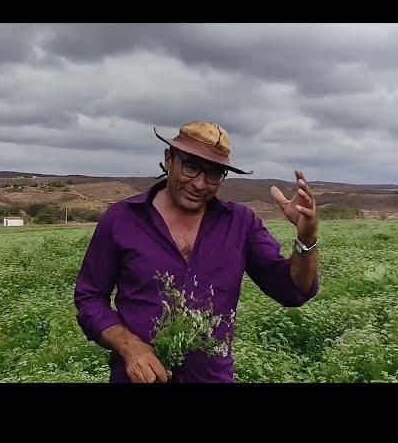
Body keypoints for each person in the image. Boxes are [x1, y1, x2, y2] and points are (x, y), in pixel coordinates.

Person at [74, 120, 319, 383]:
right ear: (169, 159)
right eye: (191, 167)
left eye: (213, 173)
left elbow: (292, 290)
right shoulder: (122, 219)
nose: (200, 184)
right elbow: (89, 297)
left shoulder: (240, 223)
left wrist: (306, 237)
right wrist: (129, 346)